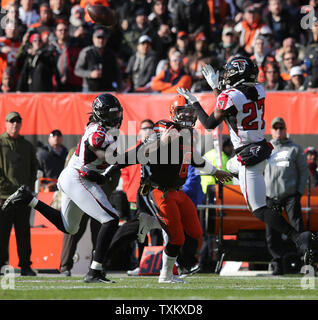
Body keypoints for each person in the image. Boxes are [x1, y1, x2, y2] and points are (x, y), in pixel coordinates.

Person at [176, 55, 317, 266]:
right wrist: (217, 87)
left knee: (258, 209)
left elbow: (209, 123)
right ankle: (262, 195)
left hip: (247, 157)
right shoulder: (259, 89)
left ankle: (298, 237)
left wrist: (195, 102)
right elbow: (229, 104)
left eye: (230, 72)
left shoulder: (231, 96)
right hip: (258, 148)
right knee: (229, 166)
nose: (226, 76)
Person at [104, 95, 232, 283]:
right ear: (174, 113)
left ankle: (151, 223)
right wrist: (161, 143)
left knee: (195, 232)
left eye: (190, 112)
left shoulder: (186, 135)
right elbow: (141, 151)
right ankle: (166, 275)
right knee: (177, 236)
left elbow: (195, 158)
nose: (188, 115)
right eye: (183, 112)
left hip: (176, 191)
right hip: (158, 190)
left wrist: (215, 172)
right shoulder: (164, 127)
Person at [2, 93, 124, 283]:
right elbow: (108, 156)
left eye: (116, 114)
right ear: (101, 116)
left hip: (73, 176)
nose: (115, 118)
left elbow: (114, 161)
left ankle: (29, 199)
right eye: (111, 115)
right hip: (78, 177)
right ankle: (95, 271)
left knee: (70, 228)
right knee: (110, 219)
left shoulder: (105, 131)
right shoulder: (97, 132)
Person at [264, 117, 308, 275]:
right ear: (271, 130)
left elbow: (304, 172)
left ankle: (302, 261)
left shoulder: (295, 149)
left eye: (281, 128)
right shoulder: (266, 148)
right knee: (271, 232)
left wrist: (298, 193)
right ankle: (277, 262)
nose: (278, 131)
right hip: (271, 196)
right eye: (275, 128)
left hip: (290, 195)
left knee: (297, 229)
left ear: (285, 129)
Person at [0, 111, 38, 276]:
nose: (15, 124)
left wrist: (28, 187)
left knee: (24, 234)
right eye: (11, 121)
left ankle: (25, 266)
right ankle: (2, 265)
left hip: (22, 197)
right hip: (3, 196)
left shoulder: (27, 145)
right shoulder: (0, 143)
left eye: (18, 121)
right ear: (6, 124)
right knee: (2, 234)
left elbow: (33, 168)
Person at [74, 27, 122, 92]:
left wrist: (119, 87)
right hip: (90, 90)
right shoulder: (86, 52)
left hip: (107, 89)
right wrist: (90, 74)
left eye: (103, 38)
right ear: (93, 39)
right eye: (98, 37)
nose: (101, 40)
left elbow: (117, 72)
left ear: (106, 39)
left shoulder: (111, 54)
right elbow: (77, 70)